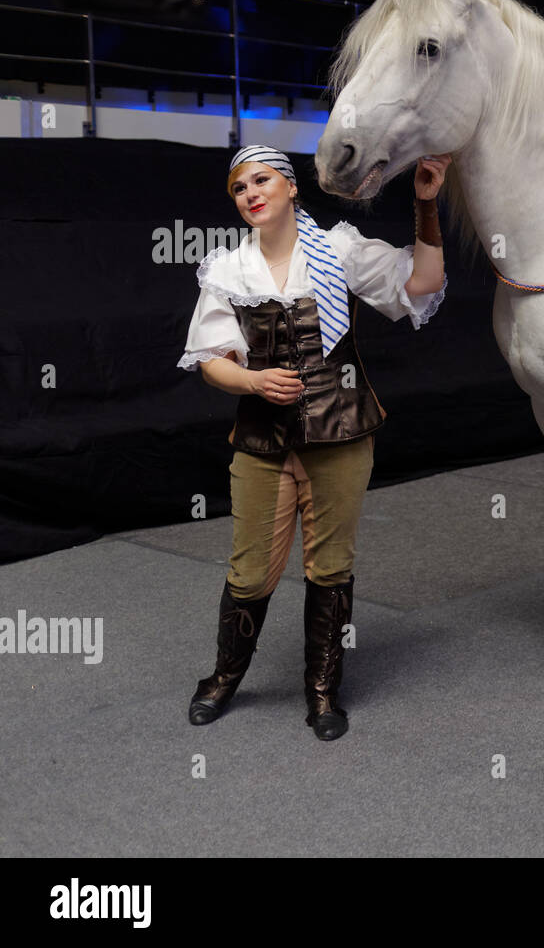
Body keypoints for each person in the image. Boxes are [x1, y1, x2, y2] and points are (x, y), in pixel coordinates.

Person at [177, 145, 449, 740]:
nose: (250, 193)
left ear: (291, 187)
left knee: (330, 568)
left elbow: (424, 281)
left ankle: (322, 688)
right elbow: (210, 362)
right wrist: (250, 379)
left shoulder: (337, 250)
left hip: (341, 433)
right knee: (249, 573)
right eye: (239, 188)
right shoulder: (227, 270)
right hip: (261, 439)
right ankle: (224, 676)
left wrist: (426, 205)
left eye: (262, 180)